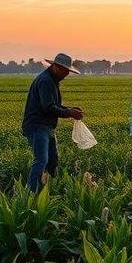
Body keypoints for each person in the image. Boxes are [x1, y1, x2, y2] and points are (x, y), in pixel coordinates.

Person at [22, 53, 85, 191]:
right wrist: (69, 113)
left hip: (46, 126)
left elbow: (53, 105)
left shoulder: (52, 80)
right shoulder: (46, 81)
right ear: (56, 67)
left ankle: (48, 189)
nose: (66, 75)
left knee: (53, 160)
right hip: (37, 126)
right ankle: (31, 193)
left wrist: (70, 109)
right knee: (42, 160)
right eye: (65, 71)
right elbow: (49, 107)